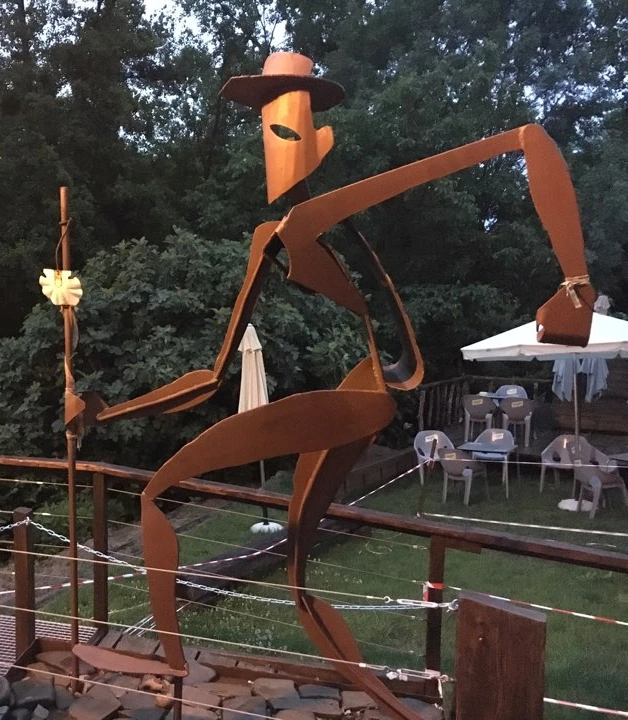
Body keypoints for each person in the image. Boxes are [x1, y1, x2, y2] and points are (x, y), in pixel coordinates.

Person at [74, 52, 595, 720]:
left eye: (286, 131)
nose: (274, 151)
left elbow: (526, 138)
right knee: (295, 570)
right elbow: (210, 376)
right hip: (360, 392)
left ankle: (171, 661)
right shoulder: (272, 235)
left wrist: (575, 286)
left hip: (364, 397)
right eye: (267, 133)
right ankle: (387, 703)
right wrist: (107, 413)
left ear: (321, 141)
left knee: (156, 492)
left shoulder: (327, 211)